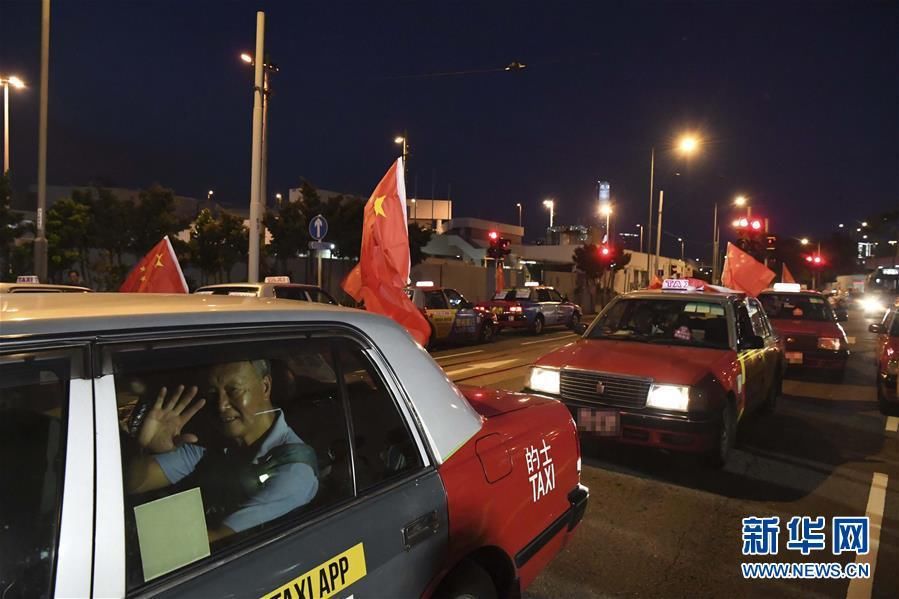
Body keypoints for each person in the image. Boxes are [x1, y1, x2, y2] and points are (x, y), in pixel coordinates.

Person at [125, 360, 318, 543]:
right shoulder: (212, 443)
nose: (221, 405)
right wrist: (143, 447)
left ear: (265, 387)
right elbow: (132, 484)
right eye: (213, 393)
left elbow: (216, 542)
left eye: (233, 391)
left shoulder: (294, 469)